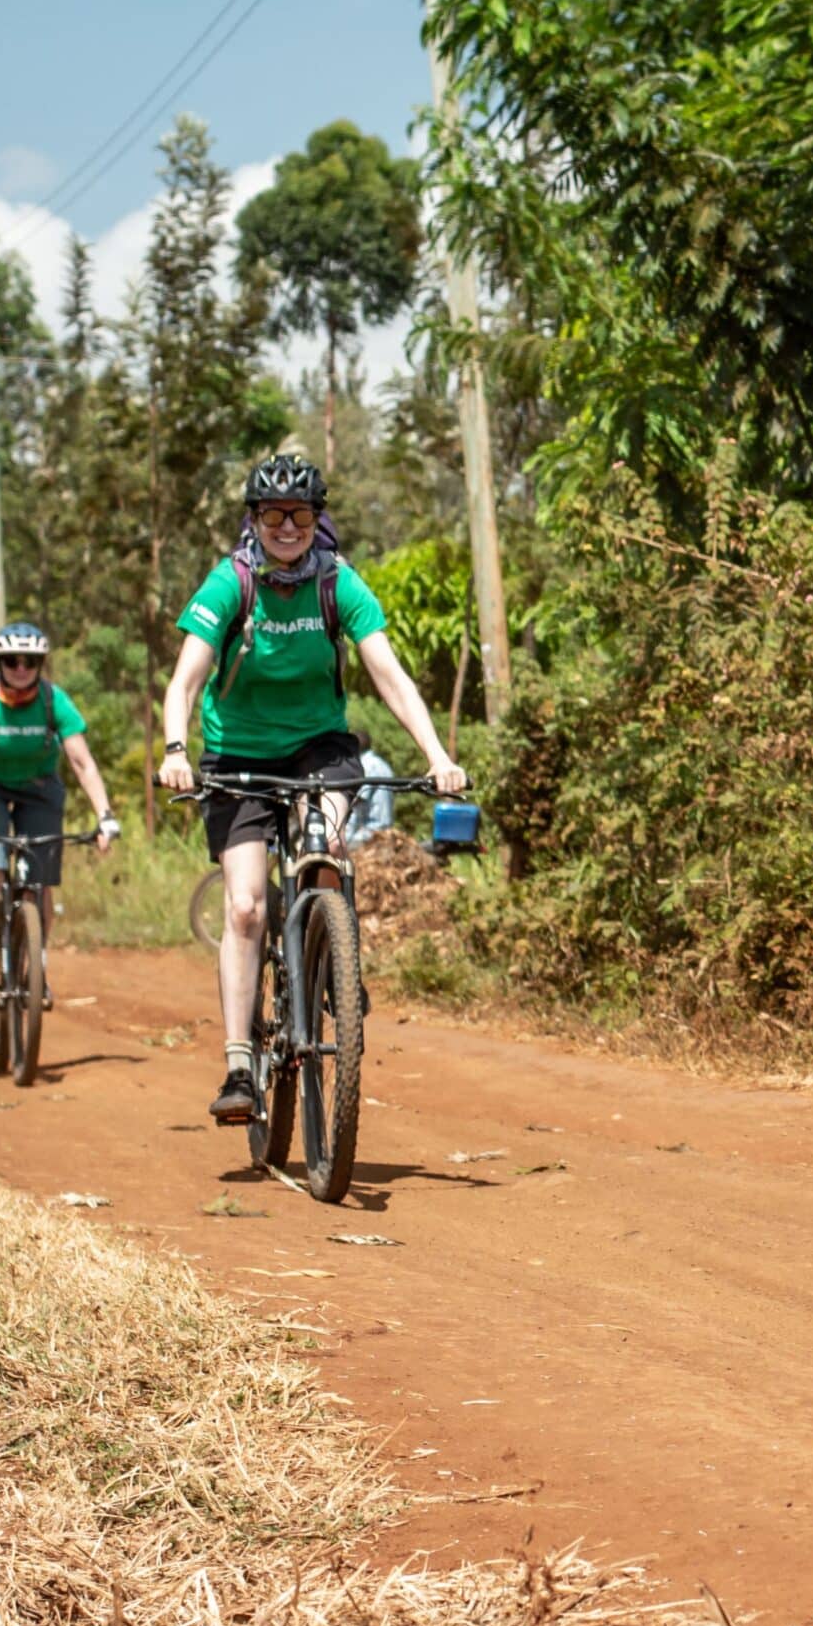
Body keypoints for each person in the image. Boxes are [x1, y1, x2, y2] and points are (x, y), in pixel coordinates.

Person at [156, 453, 466, 1126]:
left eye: (301, 513)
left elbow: (389, 674)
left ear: (316, 518)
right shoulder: (230, 583)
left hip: (320, 750)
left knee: (323, 844)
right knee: (242, 907)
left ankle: (335, 962)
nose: (288, 526)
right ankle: (240, 1064)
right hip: (237, 758)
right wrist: (177, 749)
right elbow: (184, 681)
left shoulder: (338, 581)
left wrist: (438, 755)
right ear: (255, 520)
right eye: (275, 514)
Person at [0, 623, 121, 1011]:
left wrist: (105, 814)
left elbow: (81, 761)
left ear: (40, 664)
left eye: (29, 661)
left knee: (39, 883)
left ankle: (35, 967)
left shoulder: (54, 701)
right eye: (12, 661)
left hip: (39, 788)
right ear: (0, 663)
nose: (20, 668)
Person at [346, 729, 397, 847]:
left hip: (369, 831)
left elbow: (357, 798)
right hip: (385, 827)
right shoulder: (382, 764)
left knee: (336, 851)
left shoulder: (366, 766)